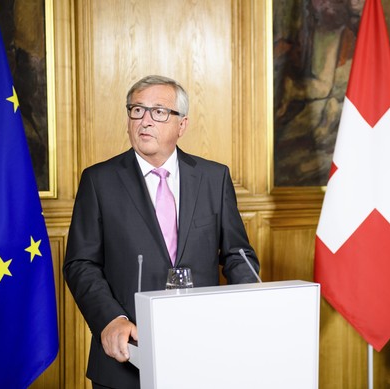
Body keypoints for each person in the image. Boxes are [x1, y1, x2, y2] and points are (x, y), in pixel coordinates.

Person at [63, 75, 260, 389]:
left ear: (181, 125)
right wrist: (111, 319)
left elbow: (238, 254)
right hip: (127, 353)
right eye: (137, 111)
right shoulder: (99, 181)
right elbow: (80, 263)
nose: (145, 121)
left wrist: (252, 303)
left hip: (202, 350)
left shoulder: (214, 177)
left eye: (158, 112)